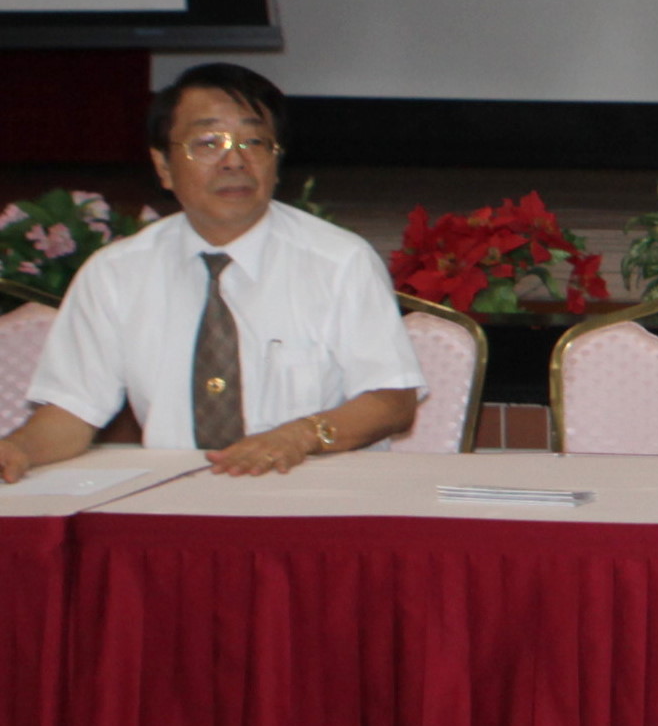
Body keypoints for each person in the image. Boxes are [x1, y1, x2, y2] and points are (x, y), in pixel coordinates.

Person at [0, 64, 420, 484]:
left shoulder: (340, 261)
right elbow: (70, 413)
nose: (234, 160)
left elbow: (392, 401)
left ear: (276, 161)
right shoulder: (115, 273)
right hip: (171, 496)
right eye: (208, 143)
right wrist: (18, 450)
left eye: (254, 142)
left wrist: (300, 436)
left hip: (314, 493)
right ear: (163, 166)